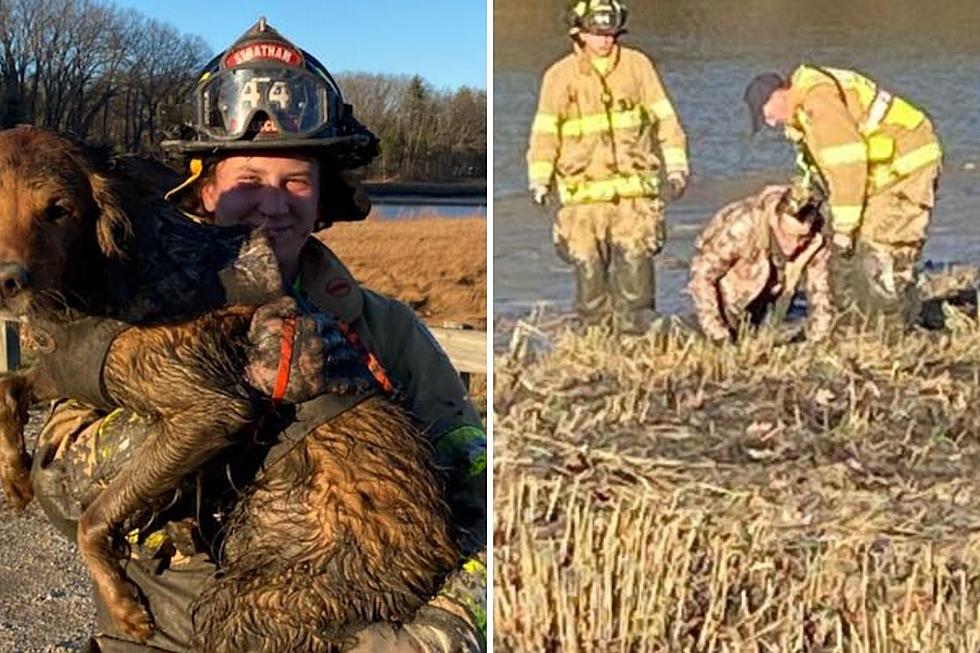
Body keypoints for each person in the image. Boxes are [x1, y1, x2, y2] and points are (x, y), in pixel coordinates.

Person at [30, 19, 486, 653]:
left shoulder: (388, 331)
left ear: (324, 198)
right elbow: (58, 483)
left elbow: (485, 502)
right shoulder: (125, 315)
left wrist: (423, 640)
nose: (272, 203)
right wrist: (239, 396)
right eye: (246, 180)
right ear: (204, 192)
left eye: (296, 181)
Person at [525, 0, 689, 334]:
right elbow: (544, 134)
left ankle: (636, 340)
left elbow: (666, 119)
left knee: (636, 278)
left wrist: (676, 167)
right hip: (582, 201)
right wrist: (539, 180)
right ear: (579, 33)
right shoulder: (559, 76)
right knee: (589, 280)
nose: (605, 41)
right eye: (597, 34)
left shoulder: (637, 66)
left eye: (611, 34)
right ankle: (595, 342)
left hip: (634, 197)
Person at [743, 65, 942, 328]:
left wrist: (844, 230)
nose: (772, 123)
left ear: (778, 95)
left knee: (883, 246)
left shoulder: (818, 102)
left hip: (907, 166)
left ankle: (891, 329)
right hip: (884, 172)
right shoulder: (804, 116)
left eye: (767, 115)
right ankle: (891, 318)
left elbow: (847, 167)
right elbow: (816, 173)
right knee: (869, 250)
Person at [688, 185, 833, 344]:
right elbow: (702, 277)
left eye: (802, 238)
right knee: (689, 334)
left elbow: (821, 292)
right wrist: (718, 334)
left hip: (772, 298)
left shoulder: (815, 240)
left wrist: (819, 340)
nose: (794, 246)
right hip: (725, 300)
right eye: (789, 236)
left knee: (783, 336)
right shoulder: (743, 226)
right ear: (775, 221)